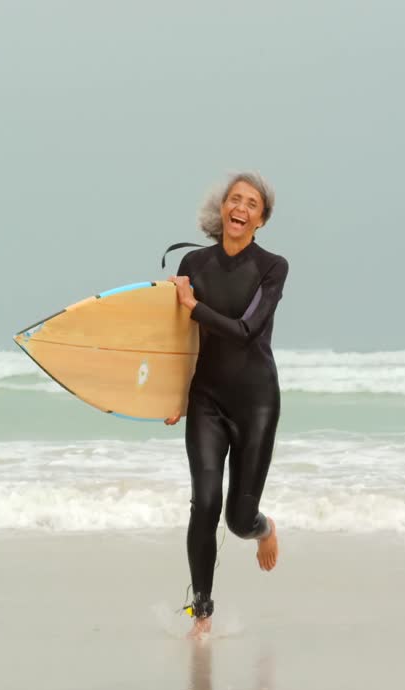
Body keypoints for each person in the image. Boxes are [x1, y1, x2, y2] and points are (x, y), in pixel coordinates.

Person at [165, 172, 288, 639]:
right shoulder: (194, 263)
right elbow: (176, 341)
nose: (241, 207)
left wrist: (194, 305)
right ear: (222, 210)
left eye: (251, 203)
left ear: (261, 218)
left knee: (238, 519)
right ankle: (201, 612)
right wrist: (171, 395)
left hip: (256, 402)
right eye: (234, 199)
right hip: (207, 400)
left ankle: (264, 527)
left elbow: (246, 330)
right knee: (205, 503)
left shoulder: (273, 266)